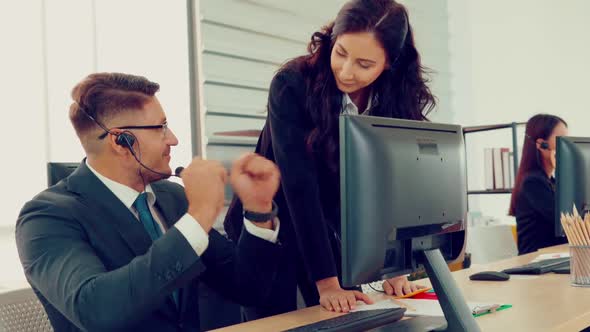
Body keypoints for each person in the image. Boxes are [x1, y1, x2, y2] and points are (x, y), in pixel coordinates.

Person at [16, 73, 283, 332]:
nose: (173, 139)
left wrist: (258, 209)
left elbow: (247, 287)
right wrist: (199, 215)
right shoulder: (46, 218)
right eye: (161, 127)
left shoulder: (172, 198)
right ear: (121, 141)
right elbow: (96, 310)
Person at [224, 0, 434, 317]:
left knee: (341, 317)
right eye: (341, 53)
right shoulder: (292, 84)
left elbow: (392, 183)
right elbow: (299, 185)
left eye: (365, 64)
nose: (347, 72)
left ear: (390, 62)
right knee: (274, 317)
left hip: (328, 230)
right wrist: (326, 282)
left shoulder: (395, 98)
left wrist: (394, 266)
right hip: (276, 224)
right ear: (332, 39)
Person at [509, 114, 569, 255]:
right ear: (542, 145)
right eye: (561, 140)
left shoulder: (551, 181)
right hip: (536, 262)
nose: (567, 145)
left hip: (556, 257)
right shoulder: (533, 182)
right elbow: (564, 222)